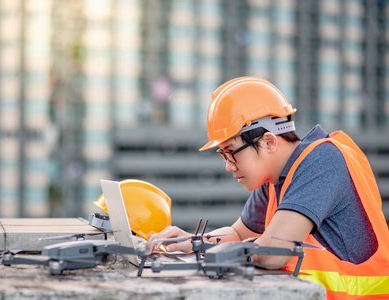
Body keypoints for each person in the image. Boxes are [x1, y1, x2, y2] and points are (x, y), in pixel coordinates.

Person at [146, 76, 389, 299]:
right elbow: (240, 235)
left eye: (231, 153)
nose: (229, 167)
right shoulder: (274, 179)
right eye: (223, 155)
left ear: (269, 142)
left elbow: (273, 252)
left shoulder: (323, 160)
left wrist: (216, 249)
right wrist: (193, 241)